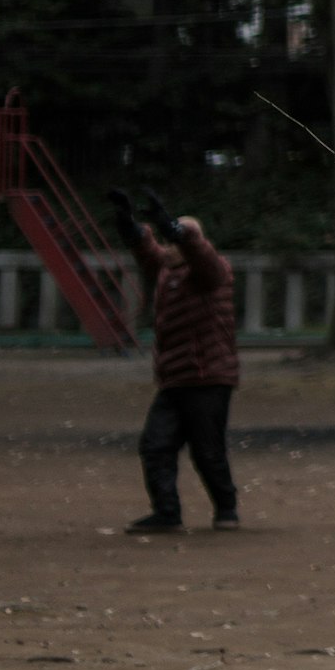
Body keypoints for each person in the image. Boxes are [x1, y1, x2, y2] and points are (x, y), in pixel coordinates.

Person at [125, 199, 241, 531]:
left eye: (177, 241)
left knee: (208, 451)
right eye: (169, 241)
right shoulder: (167, 271)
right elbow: (149, 254)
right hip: (175, 379)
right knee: (155, 446)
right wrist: (131, 229)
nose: (170, 248)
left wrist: (182, 233)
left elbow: (201, 257)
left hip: (208, 377)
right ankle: (167, 513)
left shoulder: (212, 272)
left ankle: (226, 508)